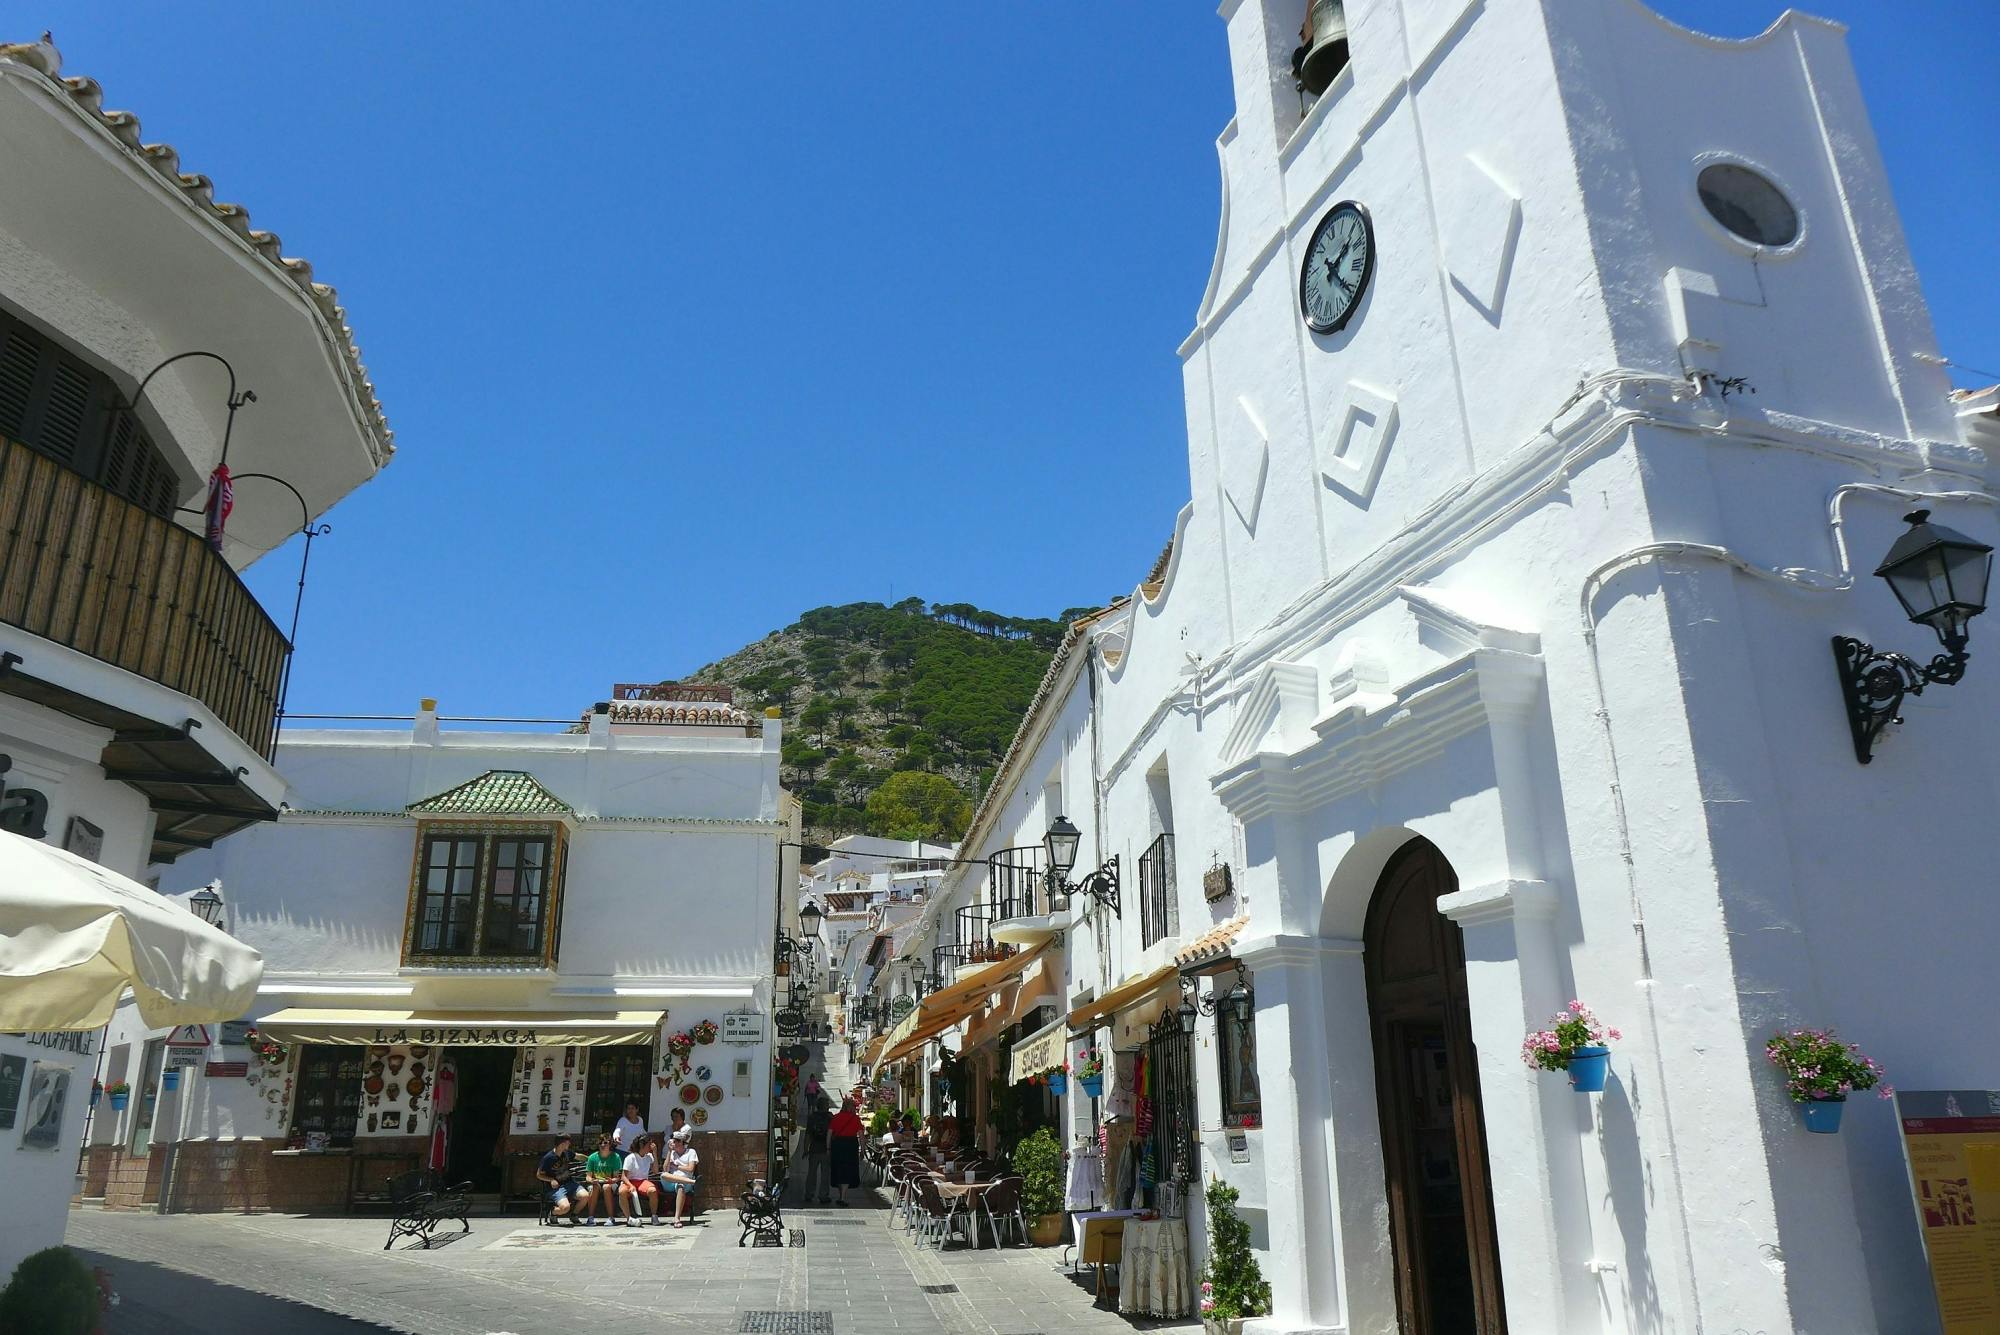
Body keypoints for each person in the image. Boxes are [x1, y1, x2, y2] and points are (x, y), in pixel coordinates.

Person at [536, 1133, 585, 1225]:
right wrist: (551, 1180)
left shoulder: (566, 1153)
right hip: (556, 1188)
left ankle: (574, 1215)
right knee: (565, 1208)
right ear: (562, 1144)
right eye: (568, 1142)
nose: (569, 1144)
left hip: (570, 1183)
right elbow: (539, 1175)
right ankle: (553, 1212)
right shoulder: (548, 1158)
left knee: (585, 1196)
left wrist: (591, 1159)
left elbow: (578, 1156)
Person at [828, 1093, 864, 1206]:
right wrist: (862, 1149)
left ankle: (841, 1196)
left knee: (838, 1168)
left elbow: (829, 1133)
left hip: (837, 1145)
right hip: (850, 1145)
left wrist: (828, 1147)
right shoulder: (855, 1119)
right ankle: (842, 1197)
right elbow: (861, 1136)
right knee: (848, 1169)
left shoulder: (835, 1117)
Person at [661, 1126, 700, 1227]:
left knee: (681, 1186)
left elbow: (690, 1169)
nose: (673, 1144)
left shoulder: (691, 1152)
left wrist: (677, 1166)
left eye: (675, 1141)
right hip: (671, 1182)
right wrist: (669, 1152)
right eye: (673, 1142)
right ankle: (693, 1182)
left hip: (684, 1181)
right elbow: (665, 1170)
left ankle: (677, 1218)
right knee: (663, 1175)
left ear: (681, 1142)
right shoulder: (672, 1153)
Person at [584, 1133, 625, 1224]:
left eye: (605, 1143)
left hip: (610, 1182)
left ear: (610, 1144)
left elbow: (617, 1177)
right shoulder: (592, 1157)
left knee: (606, 1187)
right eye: (600, 1143)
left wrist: (611, 1180)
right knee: (594, 1187)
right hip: (596, 1182)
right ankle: (590, 1217)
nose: (602, 1145)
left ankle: (611, 1218)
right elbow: (588, 1176)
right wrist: (592, 1180)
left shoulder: (615, 1157)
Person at [621, 1133, 660, 1225]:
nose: (651, 1146)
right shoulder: (630, 1157)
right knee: (622, 1192)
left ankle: (654, 1215)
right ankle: (628, 1218)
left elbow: (655, 1171)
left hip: (643, 1181)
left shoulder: (649, 1156)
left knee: (653, 1190)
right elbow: (623, 1176)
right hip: (629, 1181)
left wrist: (654, 1153)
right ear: (642, 1145)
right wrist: (630, 1186)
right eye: (649, 1144)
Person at [802, 1094, 833, 1205]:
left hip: (814, 1148)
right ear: (825, 1106)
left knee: (811, 1173)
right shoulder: (830, 1118)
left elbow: (808, 1135)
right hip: (826, 1149)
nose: (829, 1106)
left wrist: (805, 1149)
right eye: (828, 1104)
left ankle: (809, 1193)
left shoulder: (812, 1117)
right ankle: (823, 1195)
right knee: (825, 1174)